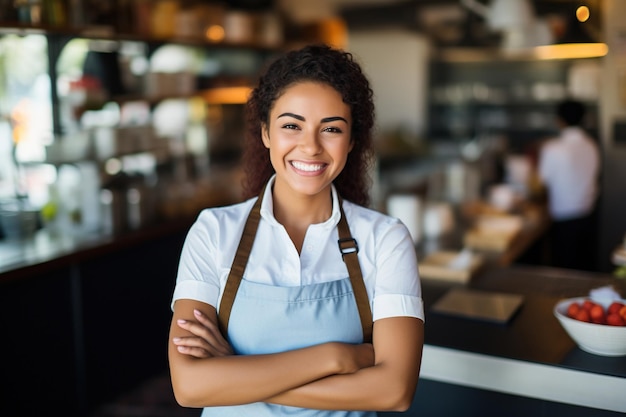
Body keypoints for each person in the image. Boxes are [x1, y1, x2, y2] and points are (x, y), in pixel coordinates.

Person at [167, 44, 425, 417]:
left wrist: (236, 372)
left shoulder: (385, 239)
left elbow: (394, 391)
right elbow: (189, 387)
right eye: (291, 125)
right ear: (266, 133)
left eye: (331, 129)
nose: (310, 147)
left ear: (352, 141)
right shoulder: (214, 232)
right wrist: (336, 357)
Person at [537, 98, 601, 271]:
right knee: (586, 270)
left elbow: (541, 183)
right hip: (590, 217)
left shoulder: (552, 148)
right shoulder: (592, 145)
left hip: (563, 222)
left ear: (559, 120)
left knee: (564, 273)